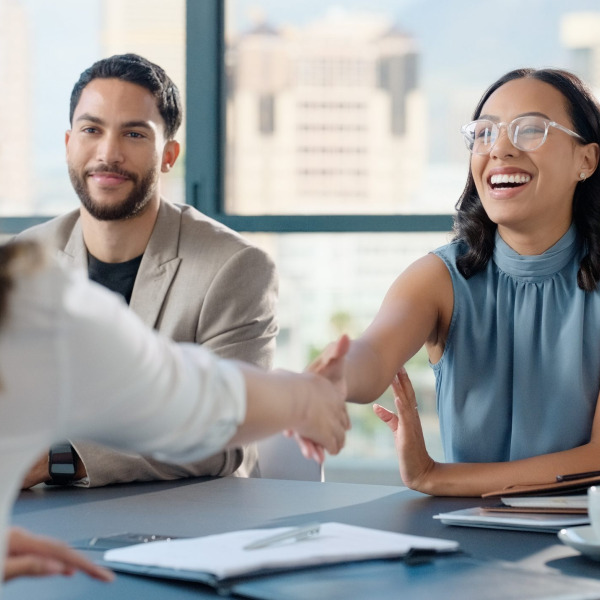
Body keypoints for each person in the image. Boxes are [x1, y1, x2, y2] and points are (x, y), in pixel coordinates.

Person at [311, 67, 600, 497]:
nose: (500, 148)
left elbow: (595, 461)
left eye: (530, 130)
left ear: (586, 160)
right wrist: (326, 379)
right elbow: (372, 358)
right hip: (464, 535)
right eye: (485, 133)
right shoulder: (440, 278)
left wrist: (437, 477)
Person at [0, 240, 349, 589]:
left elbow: (190, 401)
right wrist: (303, 399)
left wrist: (302, 398)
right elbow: (194, 401)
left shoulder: (27, 297)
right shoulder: (31, 295)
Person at [18, 53, 279, 488]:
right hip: (39, 518)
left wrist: (56, 459)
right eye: (91, 130)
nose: (108, 153)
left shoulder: (233, 268)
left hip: (186, 526)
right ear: (68, 144)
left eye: (134, 133)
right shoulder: (26, 258)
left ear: (168, 154)